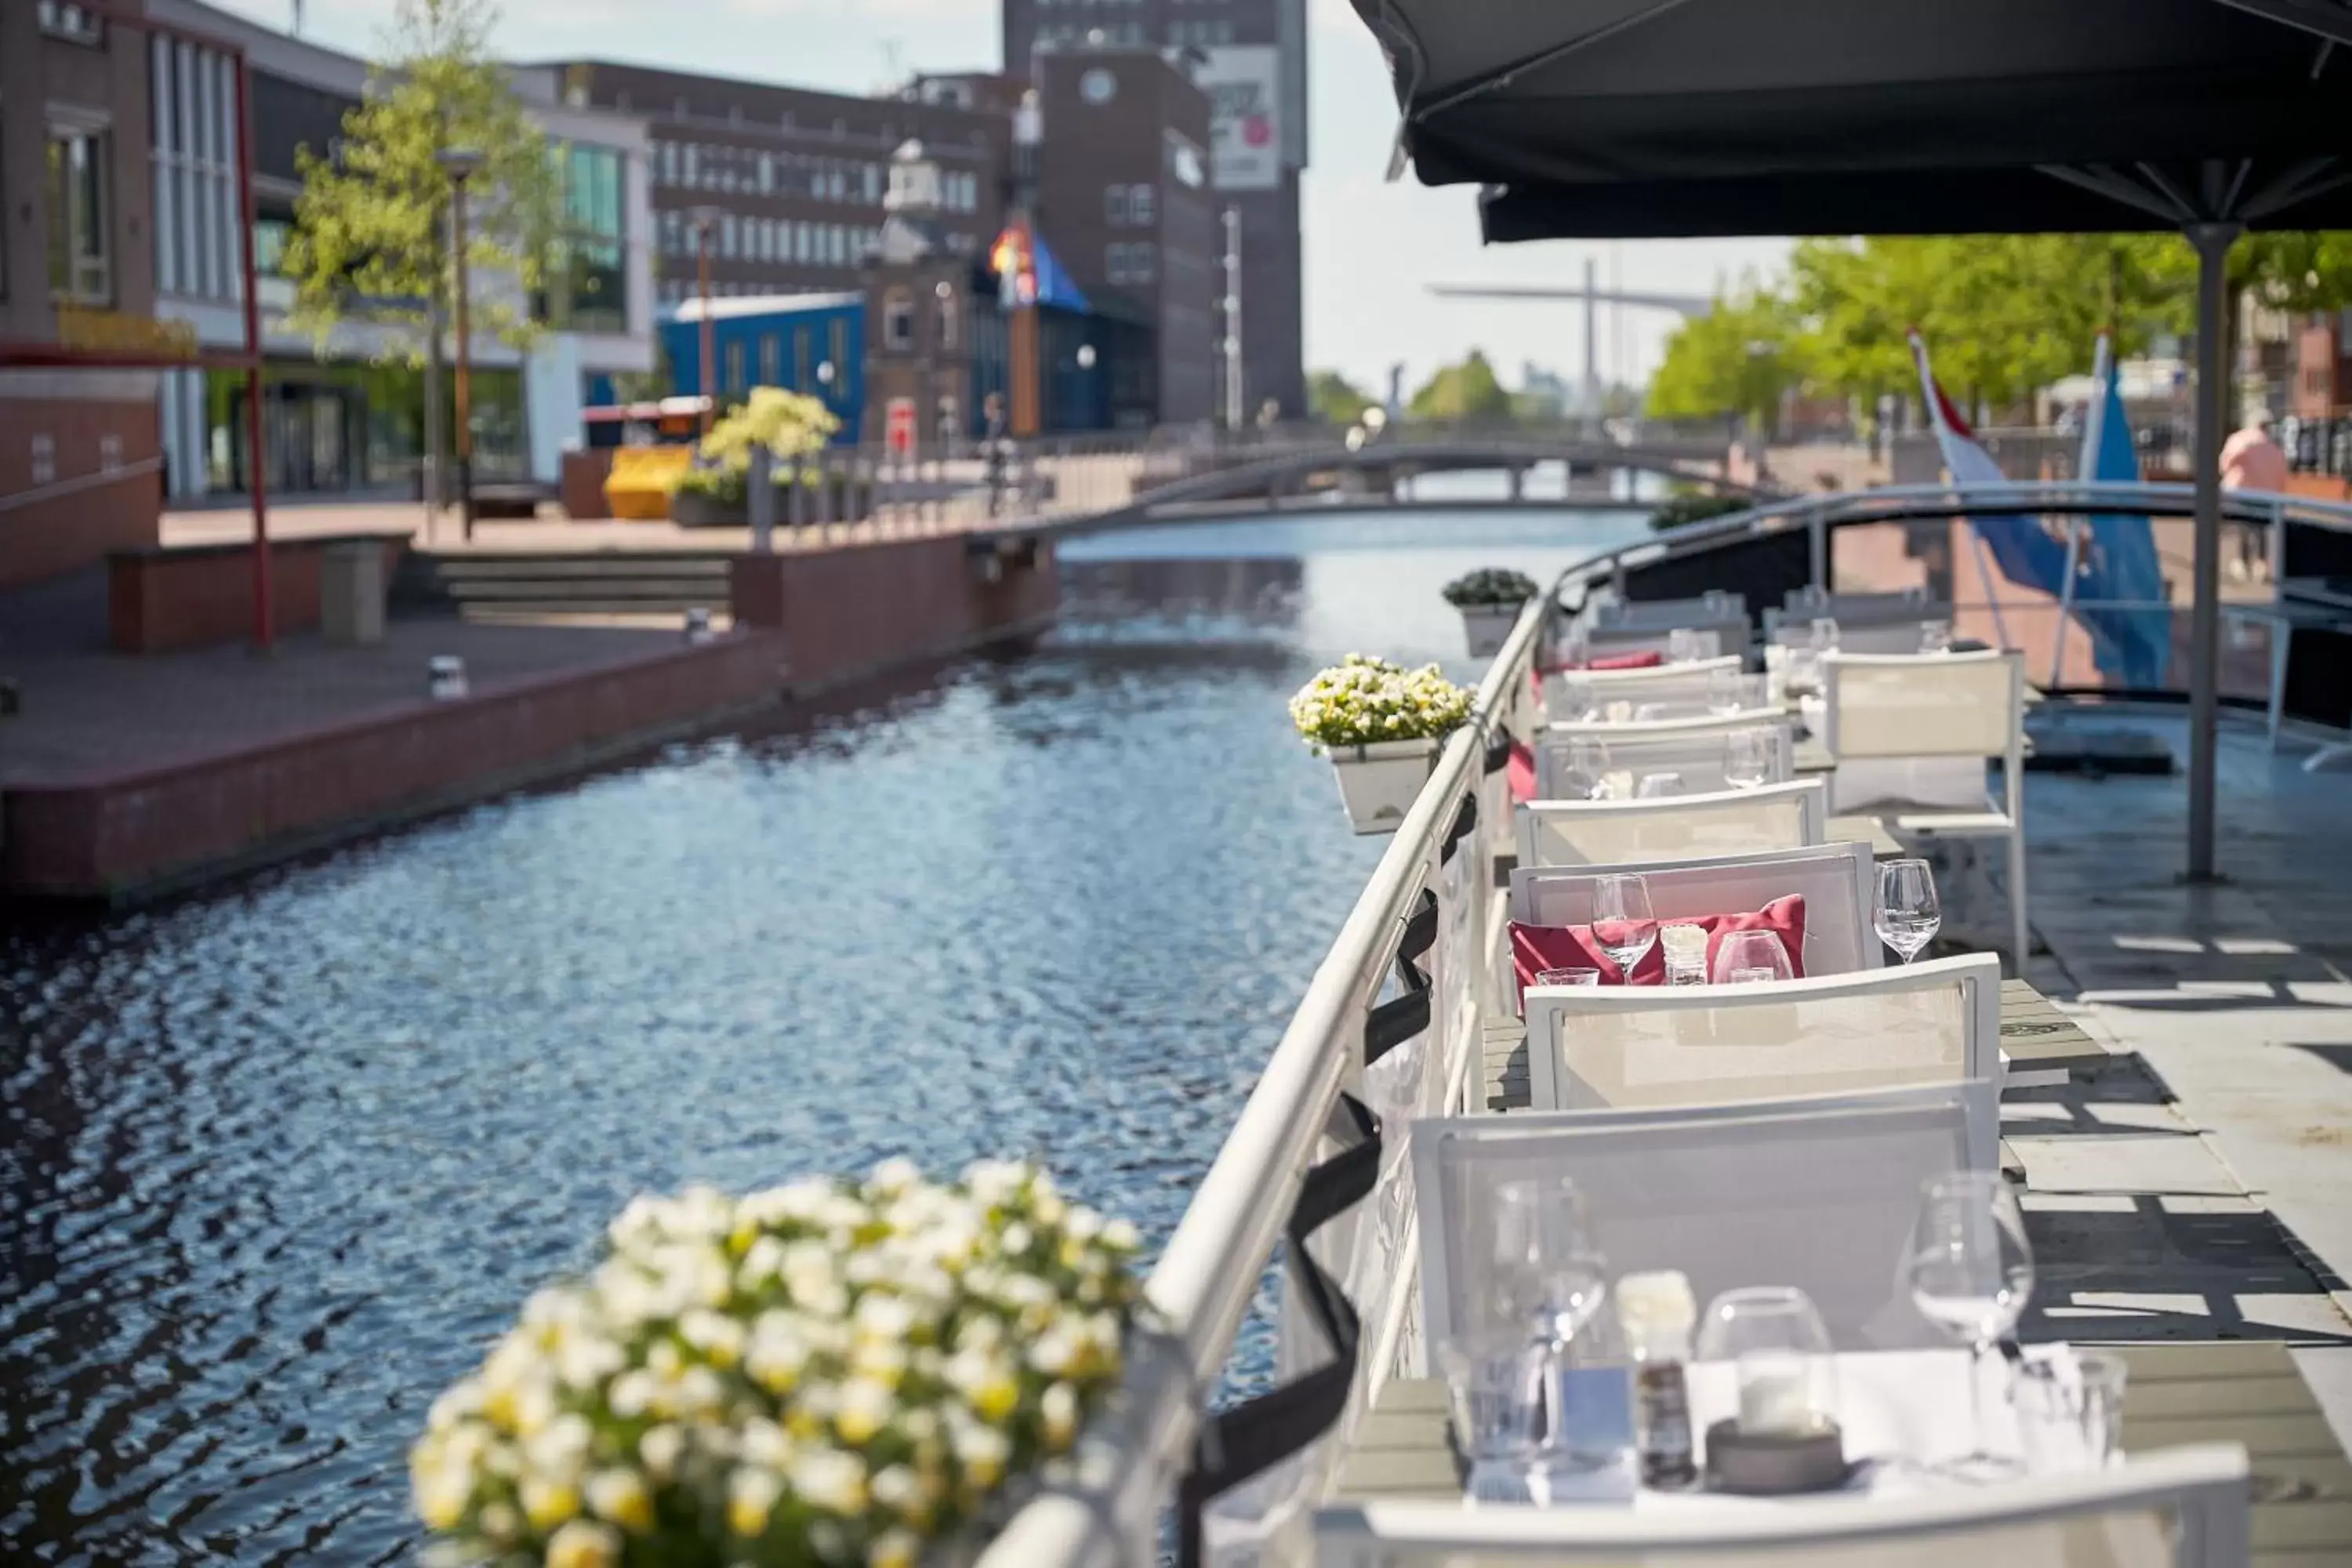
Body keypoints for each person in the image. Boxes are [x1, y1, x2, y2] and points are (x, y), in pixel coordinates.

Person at [2220, 408, 2288, 581]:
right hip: (2266, 493)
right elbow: (2282, 473)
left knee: (2244, 527)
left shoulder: (2240, 440)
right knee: (2261, 529)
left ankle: (2242, 563)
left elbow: (2227, 462)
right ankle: (2261, 564)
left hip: (2243, 490)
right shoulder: (2274, 447)